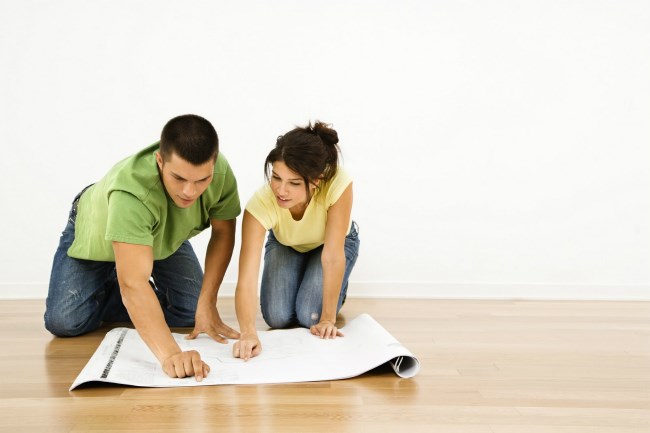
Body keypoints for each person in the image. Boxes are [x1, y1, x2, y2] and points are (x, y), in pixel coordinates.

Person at [44, 114, 241, 381]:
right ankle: (117, 274)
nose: (189, 192)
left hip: (160, 236)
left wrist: (208, 301)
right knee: (65, 321)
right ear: (160, 161)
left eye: (201, 181)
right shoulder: (131, 194)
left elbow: (223, 233)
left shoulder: (220, 171)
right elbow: (134, 284)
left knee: (190, 311)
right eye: (179, 178)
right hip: (97, 229)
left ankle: (130, 269)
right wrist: (171, 355)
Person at [232, 121, 360, 361]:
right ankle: (305, 274)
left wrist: (328, 319)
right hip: (287, 243)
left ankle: (334, 289)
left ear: (316, 181)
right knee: (277, 318)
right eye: (276, 177)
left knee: (310, 316)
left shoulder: (338, 184)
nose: (281, 190)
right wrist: (247, 333)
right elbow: (246, 279)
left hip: (331, 246)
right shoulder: (260, 205)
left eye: (294, 183)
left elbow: (332, 257)